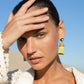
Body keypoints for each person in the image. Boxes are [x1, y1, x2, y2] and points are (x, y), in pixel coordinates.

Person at [0, 0, 84, 84]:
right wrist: (3, 39)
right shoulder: (11, 81)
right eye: (21, 39)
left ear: (60, 31)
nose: (30, 50)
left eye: (40, 35)